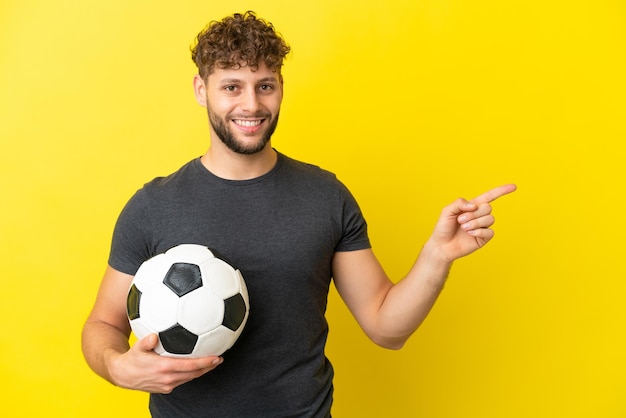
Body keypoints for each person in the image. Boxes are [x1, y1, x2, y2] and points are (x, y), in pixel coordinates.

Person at [81, 11, 516, 418]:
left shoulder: (325, 196)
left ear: (281, 87)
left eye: (265, 85)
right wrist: (118, 367)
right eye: (232, 86)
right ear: (202, 89)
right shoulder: (154, 205)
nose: (251, 105)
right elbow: (103, 323)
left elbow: (387, 328)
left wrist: (437, 255)